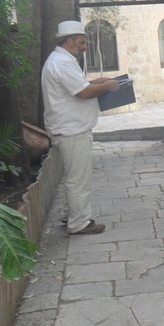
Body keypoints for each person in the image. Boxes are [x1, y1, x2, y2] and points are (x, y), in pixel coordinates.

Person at [41, 20, 120, 235]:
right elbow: (83, 93)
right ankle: (79, 223)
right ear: (69, 41)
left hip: (68, 129)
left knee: (74, 177)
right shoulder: (63, 63)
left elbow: (80, 85)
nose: (84, 47)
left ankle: (74, 215)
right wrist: (108, 86)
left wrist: (98, 82)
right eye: (82, 42)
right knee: (79, 179)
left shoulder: (61, 60)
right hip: (72, 132)